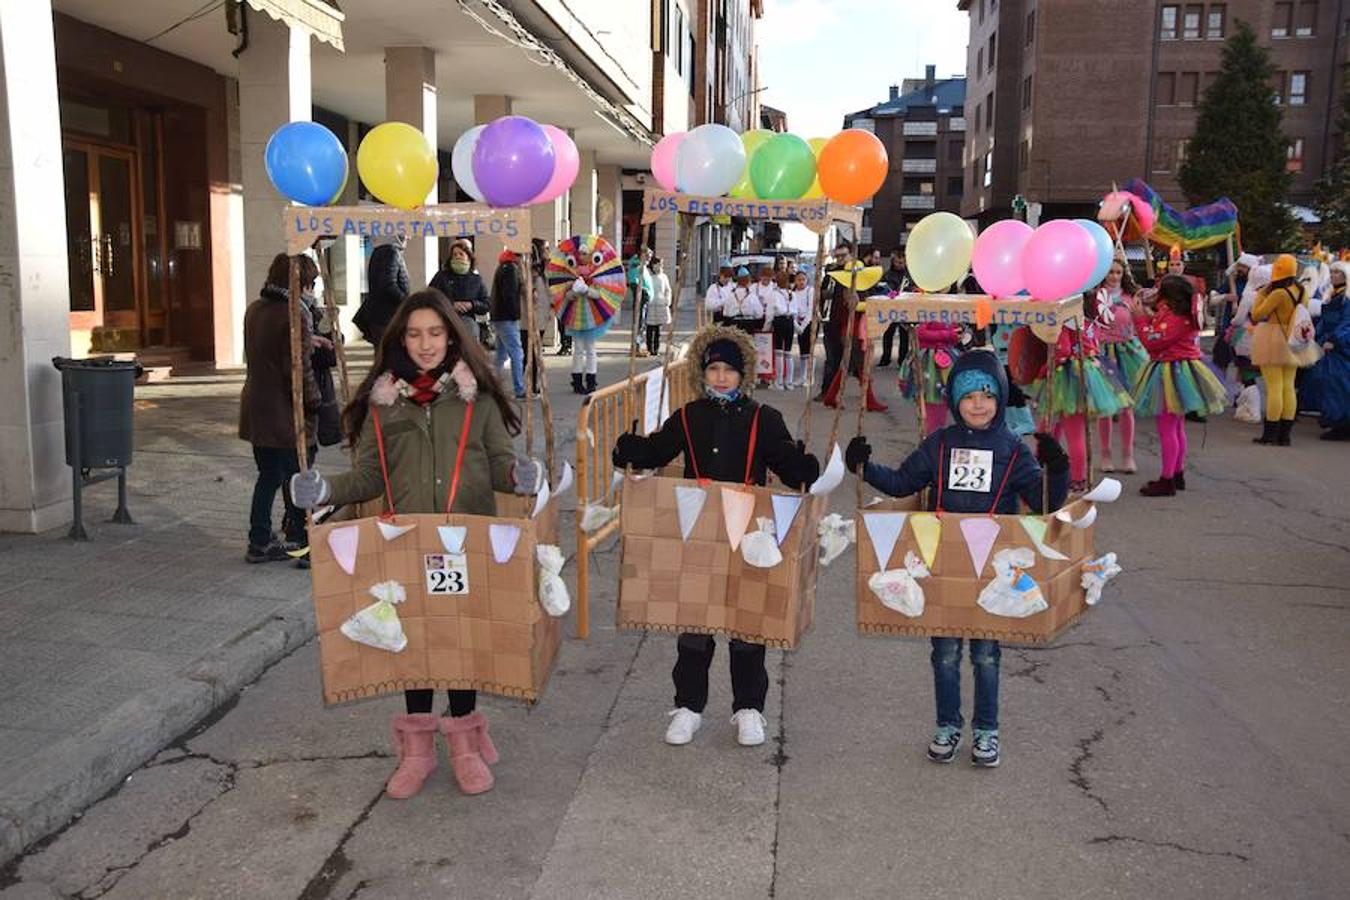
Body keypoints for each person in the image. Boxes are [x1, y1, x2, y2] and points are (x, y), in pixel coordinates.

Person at [289, 289, 541, 798]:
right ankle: (419, 751)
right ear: (400, 340)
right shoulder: (384, 402)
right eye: (414, 334)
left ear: (452, 336)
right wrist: (323, 490)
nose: (425, 344)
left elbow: (497, 465)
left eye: (435, 332)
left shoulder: (480, 399)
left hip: (465, 544)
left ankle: (466, 743)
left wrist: (518, 474)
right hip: (404, 544)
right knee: (415, 646)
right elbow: (367, 478)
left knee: (462, 645)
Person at [844, 350, 1070, 768]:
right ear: (954, 402)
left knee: (986, 655)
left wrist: (1057, 467)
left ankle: (987, 731)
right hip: (944, 565)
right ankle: (947, 725)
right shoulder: (940, 444)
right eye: (968, 397)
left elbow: (1044, 504)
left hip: (992, 573)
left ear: (1000, 398)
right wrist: (863, 466)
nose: (978, 404)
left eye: (986, 394)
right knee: (945, 654)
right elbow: (901, 483)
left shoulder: (1012, 448)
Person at [610, 325, 820, 748]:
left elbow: (784, 462)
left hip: (747, 536)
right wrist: (630, 449)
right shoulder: (690, 416)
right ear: (702, 373)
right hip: (699, 533)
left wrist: (802, 465)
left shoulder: (765, 418)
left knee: (746, 628)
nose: (721, 377)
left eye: (729, 369)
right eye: (713, 369)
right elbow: (657, 451)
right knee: (694, 626)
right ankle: (688, 707)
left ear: (744, 373)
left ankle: (749, 709)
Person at [239, 253, 321, 565]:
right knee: (297, 478)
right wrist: (314, 402)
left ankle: (259, 540)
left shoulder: (256, 309)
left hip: (258, 407)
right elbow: (297, 369)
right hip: (286, 412)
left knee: (268, 475)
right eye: (310, 283)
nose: (311, 289)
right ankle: (302, 542)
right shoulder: (294, 314)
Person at [1131, 275, 1230, 495]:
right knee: (1177, 427)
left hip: (1171, 370)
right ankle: (1177, 473)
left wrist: (1139, 319)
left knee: (1168, 428)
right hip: (1181, 369)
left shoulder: (1175, 316)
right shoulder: (1183, 313)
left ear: (1169, 295)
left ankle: (1167, 480)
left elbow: (1153, 341)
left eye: (1160, 290)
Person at [1028, 307, 1132, 493]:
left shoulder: (1065, 317)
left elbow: (1063, 350)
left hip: (1068, 375)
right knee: (1052, 424)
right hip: (1088, 371)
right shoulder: (1088, 318)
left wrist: (1043, 370)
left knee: (1067, 429)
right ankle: (1045, 466)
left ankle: (1076, 477)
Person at [1250, 254, 1316, 446]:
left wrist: (1262, 294)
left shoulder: (1278, 294)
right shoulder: (1302, 291)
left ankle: (1269, 434)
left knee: (1274, 388)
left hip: (1273, 338)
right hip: (1294, 339)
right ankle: (1284, 435)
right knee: (1289, 386)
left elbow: (1257, 314)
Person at [1094, 260, 1147, 473]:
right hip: (1103, 353)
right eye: (1110, 272)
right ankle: (1105, 455)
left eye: (1118, 272)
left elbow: (1142, 323)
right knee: (1105, 409)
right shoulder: (1094, 297)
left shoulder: (1132, 296)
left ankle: (1128, 455)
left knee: (1126, 408)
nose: (1114, 276)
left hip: (1128, 354)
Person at [900, 322, 962, 434]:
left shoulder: (950, 312)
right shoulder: (927, 311)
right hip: (928, 365)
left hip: (946, 361)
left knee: (945, 404)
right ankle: (931, 439)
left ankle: (937, 437)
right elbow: (919, 332)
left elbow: (955, 336)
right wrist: (947, 334)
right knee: (931, 404)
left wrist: (957, 334)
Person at [1312, 261, 1350, 439]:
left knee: (1339, 385)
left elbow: (1347, 323)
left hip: (1340, 349)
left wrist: (1334, 340)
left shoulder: (1346, 299)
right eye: (1332, 271)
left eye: (1338, 272)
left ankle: (1342, 425)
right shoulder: (1333, 295)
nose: (1333, 275)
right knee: (1329, 384)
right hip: (1328, 345)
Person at [429, 240, 491, 339]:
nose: (457, 256)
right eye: (454, 254)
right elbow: (430, 297)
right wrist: (450, 305)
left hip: (468, 323)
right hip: (444, 320)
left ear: (469, 257)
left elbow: (486, 304)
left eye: (461, 254)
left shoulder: (476, 280)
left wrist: (472, 304)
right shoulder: (441, 276)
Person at [355, 234, 409, 345]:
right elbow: (388, 284)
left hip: (380, 317)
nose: (408, 238)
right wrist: (406, 301)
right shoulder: (391, 253)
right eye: (405, 234)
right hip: (387, 317)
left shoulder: (379, 252)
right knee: (390, 355)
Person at [490, 249, 528, 399]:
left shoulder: (503, 266)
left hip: (499, 316)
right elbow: (509, 295)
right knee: (517, 353)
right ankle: (519, 389)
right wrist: (514, 315)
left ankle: (491, 386)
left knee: (501, 355)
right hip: (507, 317)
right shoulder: (511, 269)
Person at [818, 242, 853, 399]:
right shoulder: (830, 275)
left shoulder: (855, 274)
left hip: (850, 324)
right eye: (837, 256)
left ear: (850, 255)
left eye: (843, 256)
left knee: (852, 362)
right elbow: (821, 297)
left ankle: (864, 395)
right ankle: (828, 392)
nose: (840, 259)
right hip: (831, 324)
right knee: (832, 359)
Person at [521, 245, 552, 397]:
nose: (548, 252)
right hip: (530, 320)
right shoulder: (530, 272)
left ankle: (533, 385)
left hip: (540, 318)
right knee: (530, 354)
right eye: (545, 249)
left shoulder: (543, 271)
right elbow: (530, 296)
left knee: (535, 353)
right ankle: (529, 386)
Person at [877, 248, 909, 368]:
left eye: (902, 262)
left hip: (905, 309)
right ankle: (885, 358)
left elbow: (912, 288)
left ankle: (902, 360)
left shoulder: (909, 275)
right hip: (890, 308)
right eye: (898, 262)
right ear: (893, 262)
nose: (900, 265)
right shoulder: (887, 275)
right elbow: (881, 289)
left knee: (904, 335)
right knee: (888, 334)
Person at [763, 270, 795, 389]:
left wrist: (766, 328)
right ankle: (789, 382)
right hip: (790, 321)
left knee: (779, 352)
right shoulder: (791, 293)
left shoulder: (773, 294)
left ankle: (779, 382)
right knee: (788, 352)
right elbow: (794, 311)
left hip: (779, 321)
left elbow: (770, 313)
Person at [788, 270, 815, 389]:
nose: (801, 282)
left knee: (810, 351)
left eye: (803, 279)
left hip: (809, 322)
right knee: (803, 351)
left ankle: (810, 377)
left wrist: (803, 326)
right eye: (799, 280)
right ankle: (802, 376)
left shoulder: (810, 291)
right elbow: (791, 308)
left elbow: (810, 309)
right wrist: (796, 325)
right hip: (798, 322)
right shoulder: (792, 292)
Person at [627, 247, 654, 355]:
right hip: (641, 298)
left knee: (641, 324)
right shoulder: (637, 266)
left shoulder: (642, 266)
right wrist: (643, 292)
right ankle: (636, 347)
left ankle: (638, 346)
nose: (649, 259)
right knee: (639, 323)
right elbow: (634, 282)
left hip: (644, 298)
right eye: (648, 257)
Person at [722, 266, 762, 334]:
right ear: (748, 281)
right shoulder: (752, 296)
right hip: (748, 325)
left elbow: (725, 313)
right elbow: (759, 314)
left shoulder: (730, 295)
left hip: (734, 325)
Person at [646, 256, 673, 357]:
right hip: (651, 305)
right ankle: (649, 348)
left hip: (661, 305)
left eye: (661, 264)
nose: (660, 266)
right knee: (650, 328)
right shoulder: (648, 276)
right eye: (658, 264)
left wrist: (667, 300)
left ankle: (656, 349)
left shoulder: (664, 277)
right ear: (653, 265)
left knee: (658, 330)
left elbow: (668, 290)